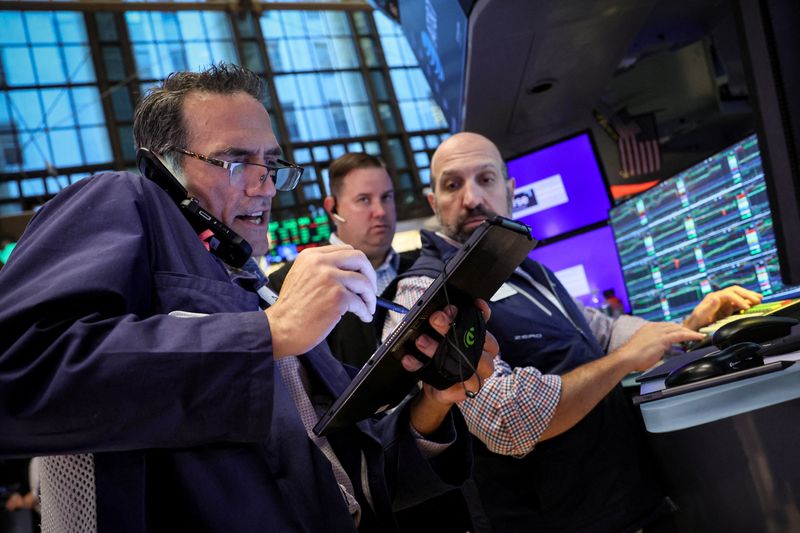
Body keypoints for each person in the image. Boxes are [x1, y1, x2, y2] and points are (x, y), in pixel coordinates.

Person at [0, 65, 495, 532]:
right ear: (165, 166)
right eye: (235, 161)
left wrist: (433, 402)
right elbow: (20, 368)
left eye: (272, 164)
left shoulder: (261, 291)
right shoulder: (122, 200)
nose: (264, 184)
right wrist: (269, 334)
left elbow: (353, 476)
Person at [385, 131, 763, 532]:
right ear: (433, 202)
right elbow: (508, 422)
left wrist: (685, 327)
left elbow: (602, 331)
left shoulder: (530, 269)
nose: (471, 198)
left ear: (510, 190)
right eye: (452, 184)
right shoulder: (425, 292)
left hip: (629, 507)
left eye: (486, 179)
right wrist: (625, 361)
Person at [269, 152, 419, 367]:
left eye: (386, 197)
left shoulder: (421, 269)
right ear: (333, 208)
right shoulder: (287, 285)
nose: (380, 211)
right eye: (364, 199)